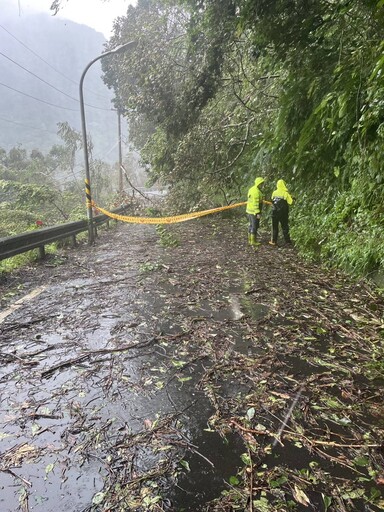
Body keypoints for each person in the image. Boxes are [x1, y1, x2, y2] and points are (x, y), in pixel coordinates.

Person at [269, 179, 293, 246]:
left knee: (275, 227)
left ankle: (274, 241)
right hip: (283, 213)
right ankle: (287, 242)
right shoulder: (285, 193)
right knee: (285, 227)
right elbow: (290, 202)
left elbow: (272, 200)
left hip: (275, 213)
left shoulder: (274, 192)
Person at [246, 176, 265, 247]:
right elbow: (256, 203)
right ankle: (253, 241)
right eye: (261, 184)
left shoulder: (252, 189)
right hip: (254, 212)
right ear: (258, 184)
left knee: (251, 225)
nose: (262, 185)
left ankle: (250, 240)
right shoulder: (256, 192)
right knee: (255, 225)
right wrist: (257, 213)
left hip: (249, 210)